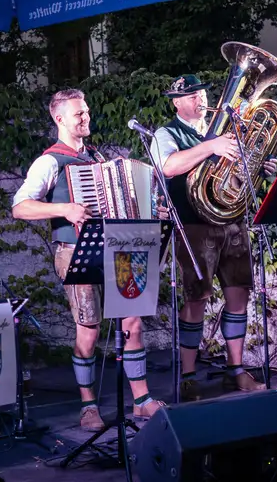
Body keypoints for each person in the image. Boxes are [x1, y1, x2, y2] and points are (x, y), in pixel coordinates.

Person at [12, 89, 165, 430]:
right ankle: (88, 406)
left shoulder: (97, 159)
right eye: (78, 114)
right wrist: (64, 208)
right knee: (89, 330)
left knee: (133, 324)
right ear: (59, 119)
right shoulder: (50, 161)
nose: (86, 118)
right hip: (75, 251)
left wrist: (153, 210)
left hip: (115, 249)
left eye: (86, 112)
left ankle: (141, 401)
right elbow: (20, 206)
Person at [150, 74, 277, 399]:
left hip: (232, 223)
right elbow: (167, 166)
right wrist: (210, 146)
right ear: (176, 102)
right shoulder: (167, 133)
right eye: (191, 96)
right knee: (196, 300)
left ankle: (236, 370)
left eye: (202, 94)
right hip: (194, 226)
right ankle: (189, 376)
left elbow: (236, 172)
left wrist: (260, 166)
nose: (200, 99)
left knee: (239, 297)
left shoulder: (227, 129)